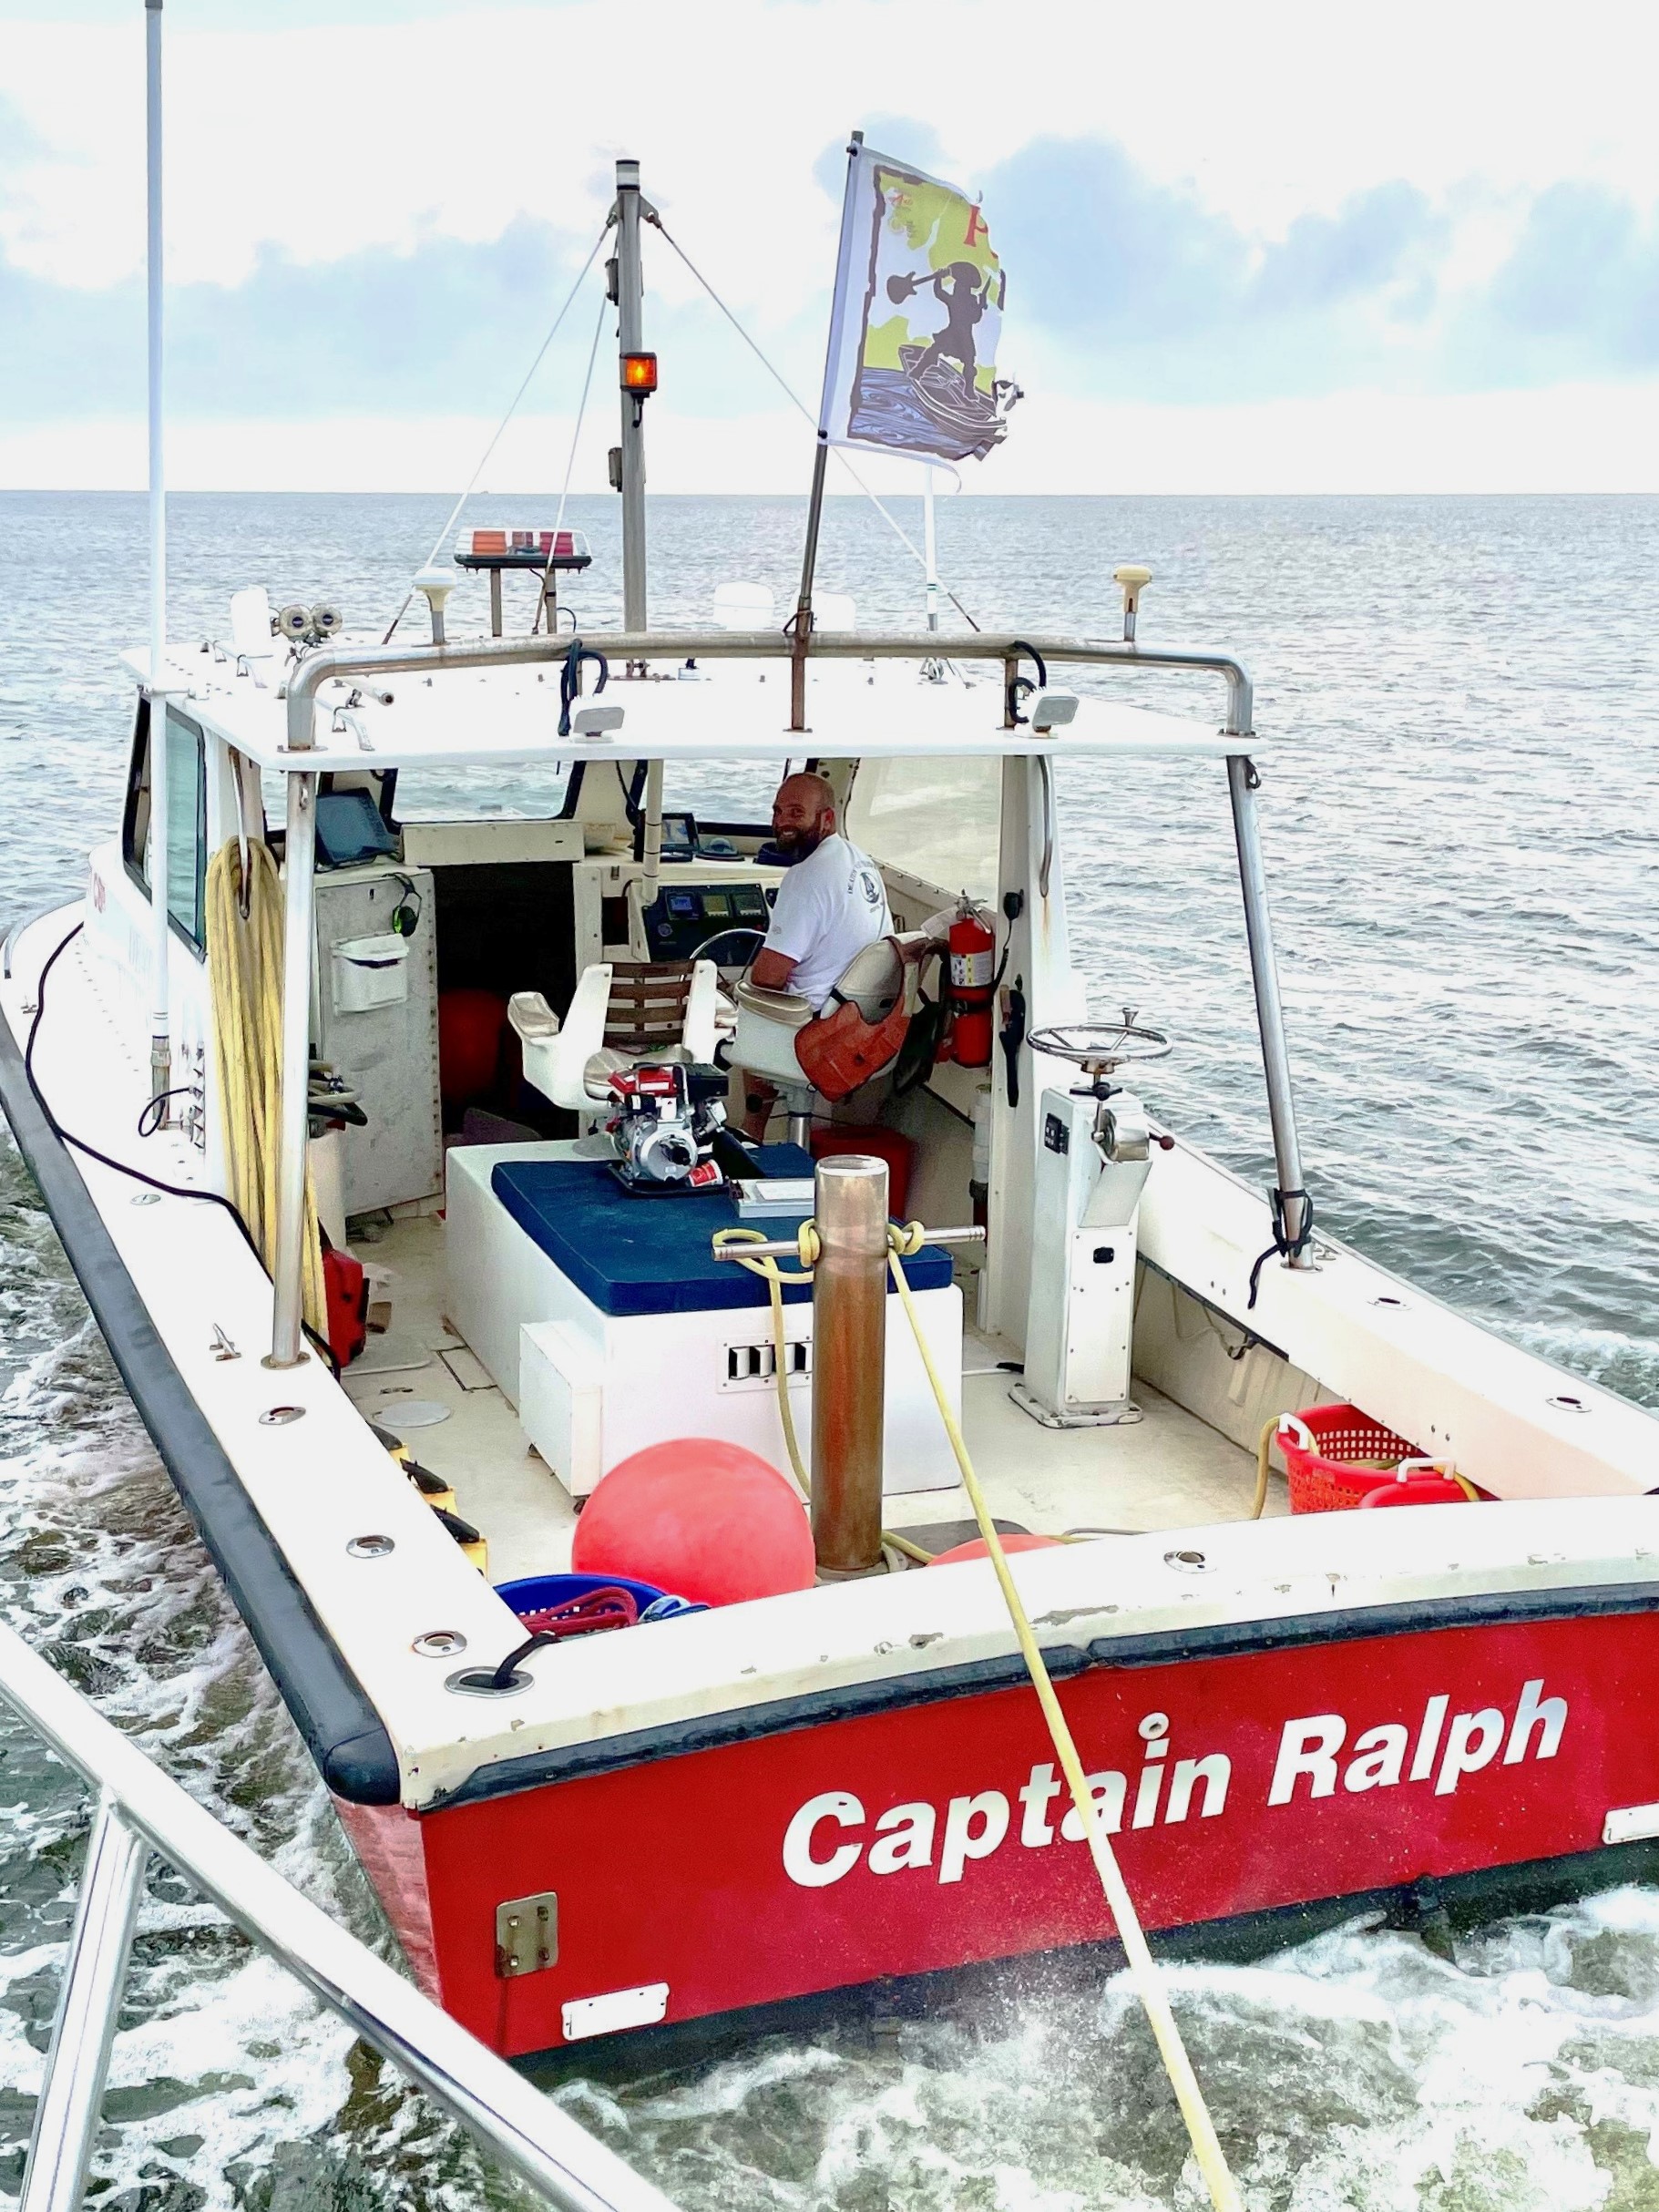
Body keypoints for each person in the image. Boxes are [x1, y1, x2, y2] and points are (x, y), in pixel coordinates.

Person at [742, 772, 891, 1136]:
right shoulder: (860, 860)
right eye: (778, 812)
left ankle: (749, 1136)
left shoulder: (806, 877)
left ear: (827, 819)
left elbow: (767, 978)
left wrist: (728, 989)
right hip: (865, 1027)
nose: (781, 822)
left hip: (818, 1035)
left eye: (795, 812)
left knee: (736, 1008)